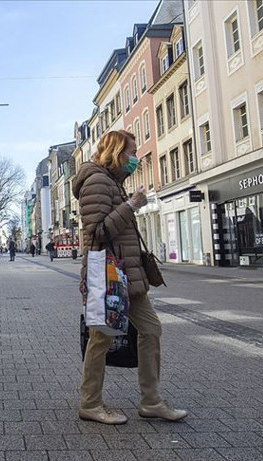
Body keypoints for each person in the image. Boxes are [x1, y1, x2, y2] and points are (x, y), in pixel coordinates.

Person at [72, 129, 187, 425]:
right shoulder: (97, 180)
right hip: (109, 276)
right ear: (116, 152)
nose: (135, 158)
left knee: (151, 330)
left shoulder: (112, 181)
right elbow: (96, 231)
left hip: (127, 275)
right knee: (101, 337)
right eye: (131, 152)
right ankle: (90, 403)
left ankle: (151, 401)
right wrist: (131, 205)